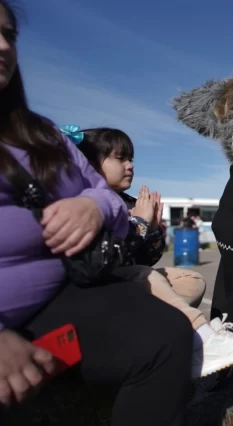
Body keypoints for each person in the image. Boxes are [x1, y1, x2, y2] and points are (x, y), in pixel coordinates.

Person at [0, 2, 193, 422]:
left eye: (9, 35)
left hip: (62, 296)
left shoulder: (42, 133)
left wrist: (93, 206)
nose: (2, 46)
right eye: (120, 157)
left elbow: (102, 196)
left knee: (167, 331)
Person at [73, 126, 233, 377]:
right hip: (95, 286)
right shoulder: (84, 202)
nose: (130, 166)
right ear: (89, 163)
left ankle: (161, 331)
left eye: (131, 159)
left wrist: (152, 231)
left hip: (122, 283)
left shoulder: (131, 202)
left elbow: (146, 257)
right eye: (120, 158)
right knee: (146, 276)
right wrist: (139, 225)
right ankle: (201, 339)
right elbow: (104, 262)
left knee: (192, 281)